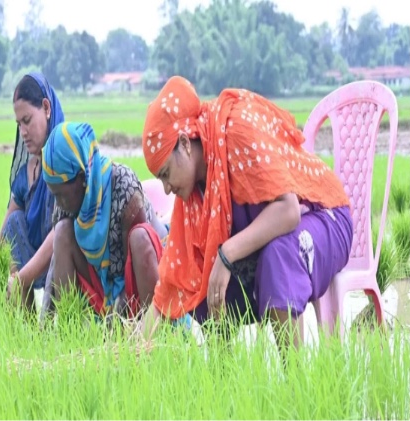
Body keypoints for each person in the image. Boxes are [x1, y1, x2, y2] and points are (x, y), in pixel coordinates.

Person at [138, 76, 353, 350]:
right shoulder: (194, 191)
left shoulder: (235, 129)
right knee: (200, 275)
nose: (167, 189)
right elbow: (172, 281)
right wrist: (131, 350)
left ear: (184, 143)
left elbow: (289, 210)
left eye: (166, 174)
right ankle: (224, 372)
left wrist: (226, 255)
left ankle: (295, 373)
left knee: (278, 255)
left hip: (324, 216)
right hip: (280, 235)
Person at [40, 121, 168, 320]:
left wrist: (114, 324)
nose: (59, 203)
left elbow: (134, 267)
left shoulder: (123, 186)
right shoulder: (65, 201)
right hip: (102, 281)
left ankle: (149, 331)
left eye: (61, 195)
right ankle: (71, 325)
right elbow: (56, 263)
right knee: (62, 231)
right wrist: (44, 326)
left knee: (139, 237)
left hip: (141, 281)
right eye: (54, 195)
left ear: (82, 177)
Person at [0, 72, 64, 312]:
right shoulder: (27, 172)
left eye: (27, 120)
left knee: (65, 232)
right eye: (19, 124)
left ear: (46, 108)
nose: (23, 131)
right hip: (33, 259)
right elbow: (5, 230)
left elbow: (61, 231)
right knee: (14, 221)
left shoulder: (66, 161)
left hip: (64, 260)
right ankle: (26, 326)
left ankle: (57, 321)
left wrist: (22, 278)